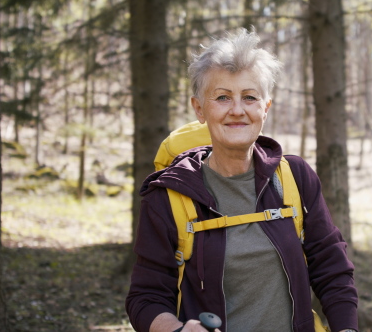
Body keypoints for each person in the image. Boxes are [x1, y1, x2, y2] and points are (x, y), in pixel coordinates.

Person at [125, 28, 358, 332]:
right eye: (222, 97)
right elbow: (146, 297)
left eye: (249, 97)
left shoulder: (295, 178)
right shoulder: (167, 198)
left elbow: (332, 269)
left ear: (265, 108)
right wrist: (178, 330)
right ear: (199, 109)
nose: (237, 110)